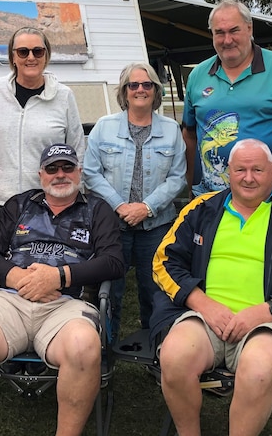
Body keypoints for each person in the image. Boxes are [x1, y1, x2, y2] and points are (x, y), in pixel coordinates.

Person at [151, 138, 272, 436]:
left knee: (257, 370)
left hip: (270, 325)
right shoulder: (202, 208)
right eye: (240, 169)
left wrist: (269, 310)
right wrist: (205, 305)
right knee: (174, 357)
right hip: (205, 319)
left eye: (257, 169)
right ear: (229, 171)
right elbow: (164, 262)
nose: (248, 178)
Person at [0, 143, 124, 436]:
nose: (60, 175)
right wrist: (17, 278)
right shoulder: (19, 204)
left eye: (68, 167)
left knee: (84, 346)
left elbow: (114, 262)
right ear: (40, 174)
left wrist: (59, 277)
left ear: (79, 172)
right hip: (10, 301)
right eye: (52, 169)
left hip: (66, 306)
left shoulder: (98, 209)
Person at [182, 0, 272, 210]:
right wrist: (190, 187)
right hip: (213, 199)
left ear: (249, 28)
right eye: (219, 32)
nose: (227, 40)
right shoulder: (198, 75)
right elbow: (190, 135)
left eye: (234, 31)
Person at [83, 62, 186, 340]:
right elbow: (90, 173)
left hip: (155, 226)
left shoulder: (171, 130)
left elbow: (178, 178)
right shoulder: (104, 127)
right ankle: (104, 348)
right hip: (112, 225)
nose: (140, 90)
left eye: (147, 85)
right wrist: (120, 205)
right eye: (133, 85)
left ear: (156, 91)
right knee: (108, 289)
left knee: (154, 289)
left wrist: (146, 207)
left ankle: (155, 346)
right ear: (124, 92)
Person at [0, 26, 86, 228]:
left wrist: (74, 196)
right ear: (13, 57)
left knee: (42, 260)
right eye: (23, 52)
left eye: (37, 51)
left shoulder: (63, 96)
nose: (31, 57)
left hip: (47, 202)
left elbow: (77, 149)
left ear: (46, 55)